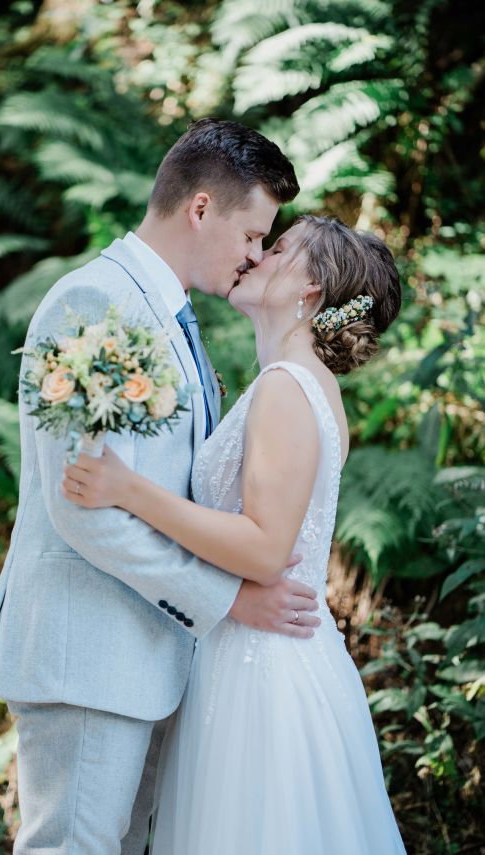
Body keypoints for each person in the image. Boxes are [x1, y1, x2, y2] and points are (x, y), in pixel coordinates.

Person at [0, 119, 323, 855]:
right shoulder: (93, 304)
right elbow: (83, 509)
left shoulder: (165, 315)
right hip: (88, 655)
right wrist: (227, 598)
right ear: (200, 209)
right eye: (253, 235)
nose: (255, 255)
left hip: (146, 656)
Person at [63, 215, 407, 854]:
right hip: (267, 651)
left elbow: (266, 548)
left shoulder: (285, 388)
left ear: (310, 289)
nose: (256, 257)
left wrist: (129, 490)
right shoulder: (305, 386)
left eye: (277, 250)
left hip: (261, 673)